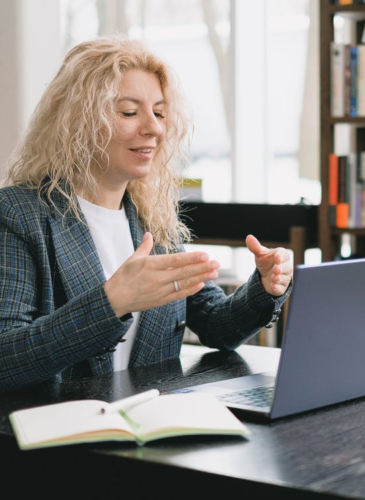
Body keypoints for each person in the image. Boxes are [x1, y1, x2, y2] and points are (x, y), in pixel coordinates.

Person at [0, 36, 293, 393]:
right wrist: (113, 302)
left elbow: (217, 324)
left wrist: (264, 286)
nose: (153, 128)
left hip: (151, 435)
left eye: (158, 112)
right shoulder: (18, 213)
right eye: (129, 112)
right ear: (79, 121)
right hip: (60, 439)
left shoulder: (153, 219)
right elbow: (7, 359)